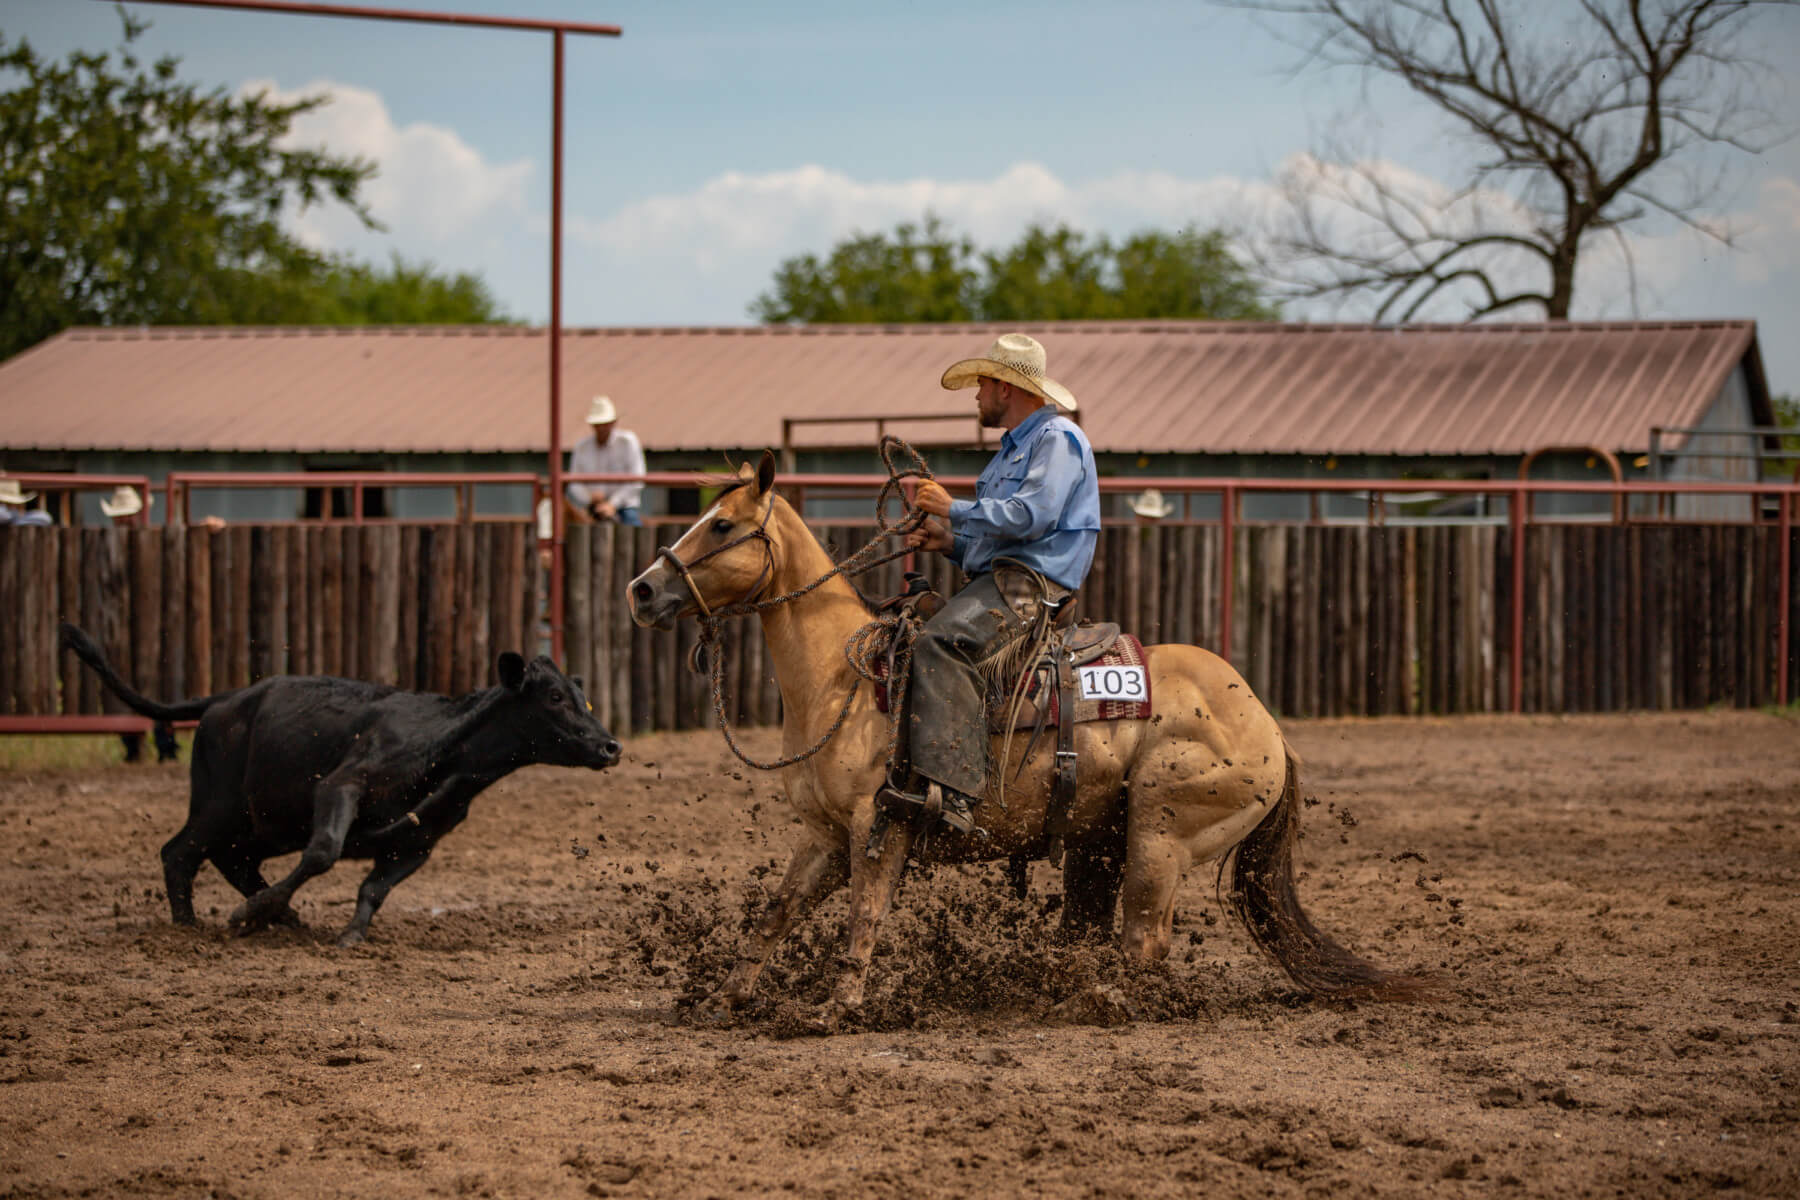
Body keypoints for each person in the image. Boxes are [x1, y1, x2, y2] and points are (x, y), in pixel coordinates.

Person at [880, 333, 1101, 834]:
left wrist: (952, 509)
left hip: (1031, 585)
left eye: (982, 383)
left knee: (941, 643)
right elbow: (1000, 536)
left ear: (1005, 387)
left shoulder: (1057, 439)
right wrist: (947, 541)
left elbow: (1033, 517)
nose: (977, 394)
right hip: (1003, 577)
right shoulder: (1011, 451)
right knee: (907, 629)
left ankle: (958, 793)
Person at [100, 487, 180, 764]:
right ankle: (133, 745)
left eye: (128, 515)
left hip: (155, 621)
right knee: (126, 682)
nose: (125, 521)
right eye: (120, 516)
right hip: (120, 623)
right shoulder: (107, 545)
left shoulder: (154, 541)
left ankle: (164, 743)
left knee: (159, 684)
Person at [564, 395, 646, 526]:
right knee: (572, 528)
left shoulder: (627, 443)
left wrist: (613, 504)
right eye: (598, 424)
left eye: (604, 423)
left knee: (632, 527)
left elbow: (637, 480)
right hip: (591, 506)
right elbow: (574, 484)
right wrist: (589, 497)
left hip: (623, 506)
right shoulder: (582, 447)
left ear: (613, 423)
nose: (601, 428)